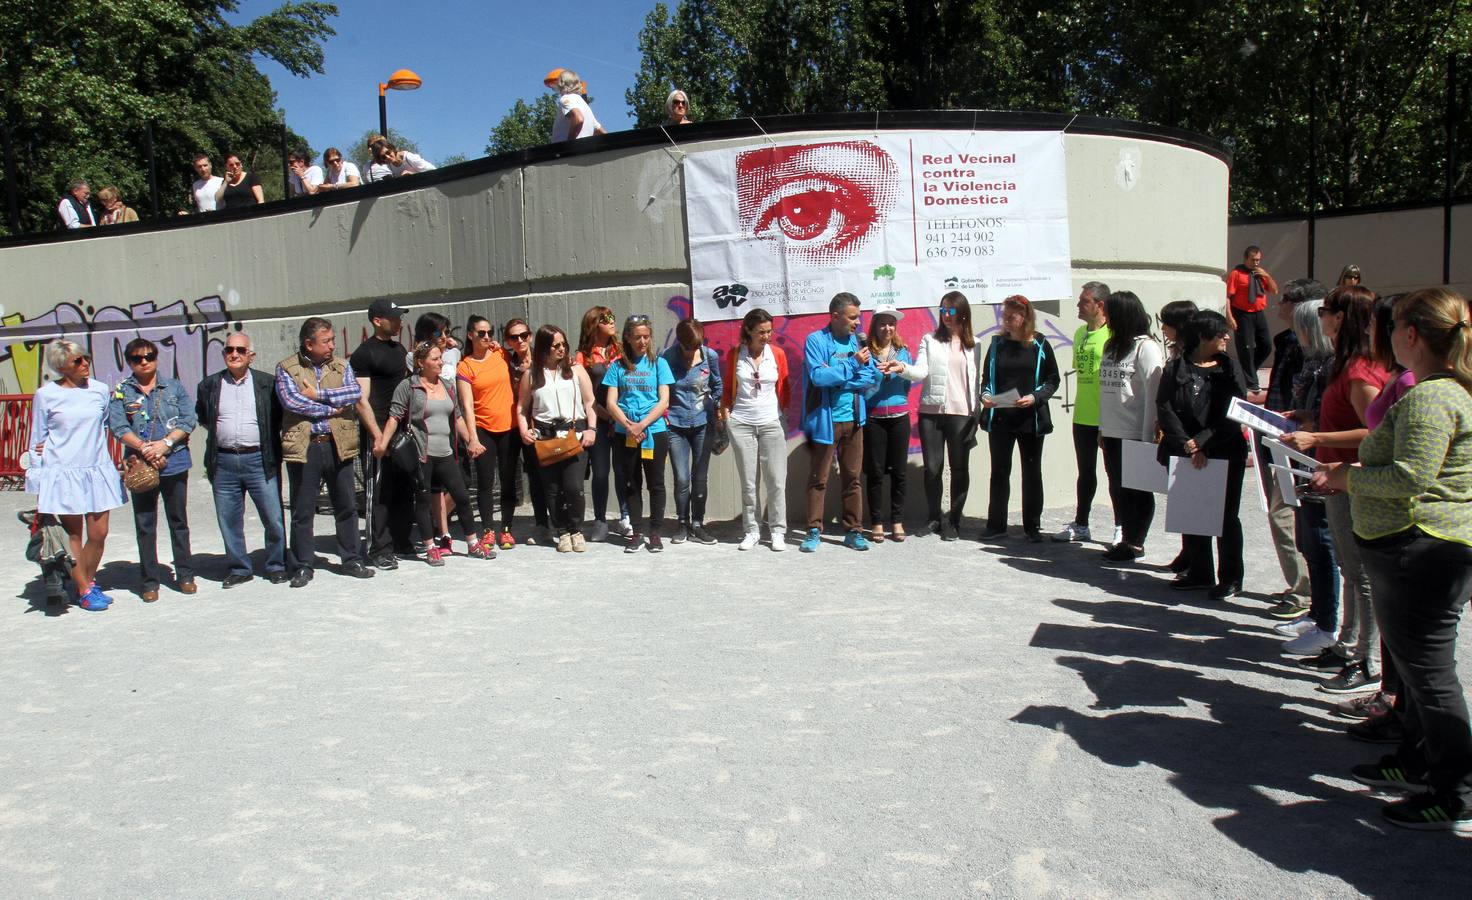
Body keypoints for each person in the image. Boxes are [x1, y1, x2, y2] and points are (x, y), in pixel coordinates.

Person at [1311, 287, 1472, 833]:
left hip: (1422, 550)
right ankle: (1418, 759)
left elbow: (1410, 476)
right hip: (1417, 549)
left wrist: (1346, 476)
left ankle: (1456, 790)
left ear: (1412, 336)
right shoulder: (1435, 391)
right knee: (1414, 670)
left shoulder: (1432, 397)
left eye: (1393, 326)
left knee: (1429, 676)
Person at [1280, 286, 1387, 694]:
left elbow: (1376, 431)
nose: (1320, 317)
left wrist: (1318, 436)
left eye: (1326, 310)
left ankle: (1368, 661)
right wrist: (1311, 418)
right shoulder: (1346, 364)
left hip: (1352, 482)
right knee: (1349, 568)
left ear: (1340, 318)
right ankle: (1348, 645)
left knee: (1360, 574)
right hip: (1338, 481)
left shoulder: (1360, 369)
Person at [25, 341, 128, 611]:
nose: (85, 364)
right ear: (62, 367)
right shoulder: (46, 395)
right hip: (63, 471)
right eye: (77, 361)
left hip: (96, 468)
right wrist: (38, 477)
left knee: (99, 533)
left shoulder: (100, 390)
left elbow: (104, 424)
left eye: (86, 358)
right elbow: (38, 436)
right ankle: (84, 589)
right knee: (73, 533)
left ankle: (87, 583)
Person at [275, 316, 375, 587]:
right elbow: (293, 402)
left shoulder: (342, 365)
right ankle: (302, 565)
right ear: (309, 344)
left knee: (346, 506)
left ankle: (351, 559)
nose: (332, 345)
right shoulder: (287, 368)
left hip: (338, 443)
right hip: (306, 446)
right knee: (302, 509)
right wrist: (332, 409)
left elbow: (353, 393)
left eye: (332, 340)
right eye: (326, 341)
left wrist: (318, 395)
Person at [1156, 310, 1249, 599]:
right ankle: (1200, 572)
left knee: (1226, 517)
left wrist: (1203, 441)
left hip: (1224, 448)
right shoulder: (1176, 368)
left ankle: (1231, 577)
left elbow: (1235, 412)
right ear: (1202, 336)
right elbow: (1165, 407)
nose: (1226, 337)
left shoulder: (1230, 368)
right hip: (1186, 450)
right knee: (1193, 512)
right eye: (1220, 333)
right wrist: (1186, 443)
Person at [380, 343, 491, 564]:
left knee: (462, 497)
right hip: (422, 454)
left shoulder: (447, 385)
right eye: (435, 359)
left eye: (441, 358)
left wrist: (471, 439)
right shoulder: (408, 386)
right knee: (423, 501)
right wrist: (382, 444)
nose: (441, 362)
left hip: (446, 453)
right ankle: (430, 547)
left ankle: (472, 543)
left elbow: (457, 417)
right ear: (421, 362)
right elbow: (394, 417)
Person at [195, 331, 288, 588]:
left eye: (240, 350)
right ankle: (239, 568)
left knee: (273, 517)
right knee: (228, 520)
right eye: (229, 350)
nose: (234, 354)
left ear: (251, 355)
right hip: (224, 461)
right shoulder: (209, 385)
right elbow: (204, 417)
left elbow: (278, 419)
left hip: (259, 459)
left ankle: (276, 565)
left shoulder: (267, 384)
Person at [1255, 278, 1325, 619]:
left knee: (1284, 515)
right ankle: (1301, 586)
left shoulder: (1315, 352)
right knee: (1284, 514)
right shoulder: (1286, 340)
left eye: (1283, 299)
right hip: (1280, 437)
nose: (1276, 304)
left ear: (1301, 306)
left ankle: (1303, 593)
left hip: (1301, 445)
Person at [107, 337, 197, 602]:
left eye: (149, 356)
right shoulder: (122, 391)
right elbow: (118, 426)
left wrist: (165, 444)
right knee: (145, 524)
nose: (144, 362)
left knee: (178, 521)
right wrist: (145, 448)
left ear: (156, 358)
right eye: (137, 358)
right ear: (129, 362)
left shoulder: (173, 386)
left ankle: (185, 575)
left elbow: (188, 419)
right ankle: (149, 581)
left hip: (174, 462)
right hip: (140, 465)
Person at [1277, 298, 1342, 658]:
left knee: (1321, 541)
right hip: (1304, 456)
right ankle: (1318, 614)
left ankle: (1327, 623)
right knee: (1309, 541)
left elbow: (1336, 418)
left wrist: (1312, 426)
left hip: (1321, 461)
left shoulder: (1333, 366)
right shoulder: (1313, 363)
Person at [801, 292, 879, 552]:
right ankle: (813, 530)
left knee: (852, 478)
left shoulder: (858, 342)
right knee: (818, 478)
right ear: (835, 316)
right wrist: (853, 365)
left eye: (859, 317)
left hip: (854, 421)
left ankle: (854, 531)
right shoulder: (816, 341)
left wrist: (838, 378)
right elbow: (818, 378)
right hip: (825, 422)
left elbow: (870, 377)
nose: (858, 322)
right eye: (852, 317)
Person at [980, 295, 1061, 542]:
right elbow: (986, 379)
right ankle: (996, 525)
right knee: (999, 471)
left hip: (1030, 419)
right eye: (1004, 315)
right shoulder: (996, 345)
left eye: (1011, 315)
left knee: (1032, 472)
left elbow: (1052, 379)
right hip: (1001, 418)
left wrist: (1035, 397)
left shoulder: (1040, 344)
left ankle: (1032, 527)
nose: (1006, 319)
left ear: (1025, 317)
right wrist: (985, 395)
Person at [902, 292, 980, 541]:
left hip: (962, 414)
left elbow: (976, 382)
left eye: (951, 311)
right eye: (943, 310)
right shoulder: (930, 340)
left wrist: (977, 413)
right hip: (931, 412)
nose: (946, 315)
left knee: (959, 468)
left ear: (963, 313)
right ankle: (934, 517)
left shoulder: (975, 344)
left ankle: (954, 520)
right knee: (933, 468)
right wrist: (902, 368)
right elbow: (920, 371)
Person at [518, 325, 599, 552]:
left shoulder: (576, 371)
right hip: (545, 437)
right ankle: (562, 531)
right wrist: (524, 430)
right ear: (544, 347)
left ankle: (576, 530)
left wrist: (592, 429)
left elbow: (590, 401)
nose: (561, 349)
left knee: (574, 487)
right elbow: (522, 408)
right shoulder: (531, 375)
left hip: (575, 434)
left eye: (564, 344)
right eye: (556, 345)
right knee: (552, 488)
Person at [1097, 291, 1165, 562]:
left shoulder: (1145, 347)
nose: (1106, 317)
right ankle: (1125, 538)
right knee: (1118, 487)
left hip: (1136, 431)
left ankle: (1136, 542)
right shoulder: (1111, 345)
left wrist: (1149, 434)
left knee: (1138, 489)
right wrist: (1102, 428)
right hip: (1112, 430)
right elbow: (1106, 391)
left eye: (1109, 313)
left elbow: (1153, 391)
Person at [721, 307, 791, 551]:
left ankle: (778, 531)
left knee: (776, 480)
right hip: (741, 423)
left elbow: (785, 387)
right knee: (749, 483)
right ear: (749, 331)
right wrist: (727, 417)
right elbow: (728, 388)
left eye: (769, 332)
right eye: (761, 332)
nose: (766, 336)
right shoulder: (735, 355)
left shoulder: (777, 354)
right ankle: (752, 530)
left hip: (771, 422)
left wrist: (783, 414)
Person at [350, 299, 413, 569]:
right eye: (394, 317)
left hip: (401, 431)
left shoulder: (399, 349)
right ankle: (380, 548)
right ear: (377, 321)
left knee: (404, 486)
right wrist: (377, 436)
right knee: (379, 491)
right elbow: (361, 400)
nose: (399, 321)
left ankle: (401, 540)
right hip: (377, 432)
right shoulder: (364, 354)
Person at [604, 314, 674, 552]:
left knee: (656, 483)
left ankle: (655, 533)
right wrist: (629, 425)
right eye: (637, 337)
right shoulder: (617, 366)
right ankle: (636, 531)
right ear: (627, 338)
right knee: (631, 483)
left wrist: (641, 425)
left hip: (654, 431)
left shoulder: (659, 364)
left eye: (646, 336)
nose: (642, 341)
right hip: (626, 433)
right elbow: (611, 402)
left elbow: (664, 401)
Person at [1052, 281, 1112, 543]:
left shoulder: (1112, 334)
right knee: (1085, 472)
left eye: (1084, 301)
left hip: (1108, 416)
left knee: (1113, 473)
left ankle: (1121, 526)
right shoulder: (1079, 333)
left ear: (1100, 305)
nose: (1078, 305)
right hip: (1082, 415)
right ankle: (1081, 524)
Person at [459, 314, 520, 550]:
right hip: (483, 429)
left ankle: (506, 529)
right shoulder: (465, 365)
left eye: (490, 333)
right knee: (485, 482)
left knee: (508, 480)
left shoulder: (502, 354)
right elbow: (466, 406)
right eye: (481, 333)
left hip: (509, 428)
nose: (487, 337)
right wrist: (472, 437)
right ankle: (487, 530)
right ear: (470, 335)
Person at [662, 318, 722, 544]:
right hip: (675, 424)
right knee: (681, 477)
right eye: (688, 347)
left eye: (696, 346)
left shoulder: (709, 356)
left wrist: (713, 405)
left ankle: (698, 523)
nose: (692, 352)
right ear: (680, 342)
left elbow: (717, 384)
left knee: (700, 476)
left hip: (702, 424)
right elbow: (662, 389)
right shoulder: (667, 358)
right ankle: (682, 524)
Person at [864, 304, 919, 542]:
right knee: (875, 472)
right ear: (875, 326)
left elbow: (908, 381)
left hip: (899, 418)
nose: (887, 328)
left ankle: (897, 521)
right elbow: (862, 381)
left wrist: (898, 370)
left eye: (891, 324)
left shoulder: (903, 351)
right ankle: (876, 522)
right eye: (883, 323)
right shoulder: (866, 351)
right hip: (874, 418)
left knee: (899, 472)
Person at [576, 306, 629, 540]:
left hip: (622, 420)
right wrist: (602, 414)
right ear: (594, 324)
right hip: (598, 420)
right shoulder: (583, 356)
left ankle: (626, 516)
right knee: (600, 472)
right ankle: (600, 520)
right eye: (606, 318)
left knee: (623, 470)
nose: (612, 322)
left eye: (612, 317)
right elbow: (583, 394)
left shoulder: (622, 350)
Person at [1157, 300, 1199, 575]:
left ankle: (1195, 559)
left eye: (1167, 323)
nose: (1163, 328)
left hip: (1193, 441)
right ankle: (1187, 553)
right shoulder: (1175, 355)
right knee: (1182, 502)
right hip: (1176, 438)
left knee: (1194, 505)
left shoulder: (1193, 359)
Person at [503, 317, 552, 541]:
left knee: (545, 475)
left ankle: (558, 523)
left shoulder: (544, 359)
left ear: (530, 336)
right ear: (507, 341)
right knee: (528, 475)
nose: (520, 340)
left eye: (524, 335)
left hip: (541, 424)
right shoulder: (504, 360)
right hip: (513, 424)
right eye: (514, 337)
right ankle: (539, 524)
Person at [1225, 244, 1279, 392]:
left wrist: (1266, 275)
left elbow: (1274, 290)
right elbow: (1228, 296)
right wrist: (1230, 317)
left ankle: (1248, 371)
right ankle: (1251, 382)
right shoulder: (1236, 273)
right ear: (1246, 259)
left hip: (1258, 313)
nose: (1256, 263)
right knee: (1246, 348)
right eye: (1253, 260)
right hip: (1242, 313)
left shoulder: (1259, 273)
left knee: (1266, 345)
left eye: (1258, 260)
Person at [550, 70, 606, 142]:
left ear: (561, 84)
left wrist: (569, 143)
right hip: (585, 147)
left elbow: (579, 119)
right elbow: (601, 132)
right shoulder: (585, 106)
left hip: (566, 148)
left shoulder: (566, 98)